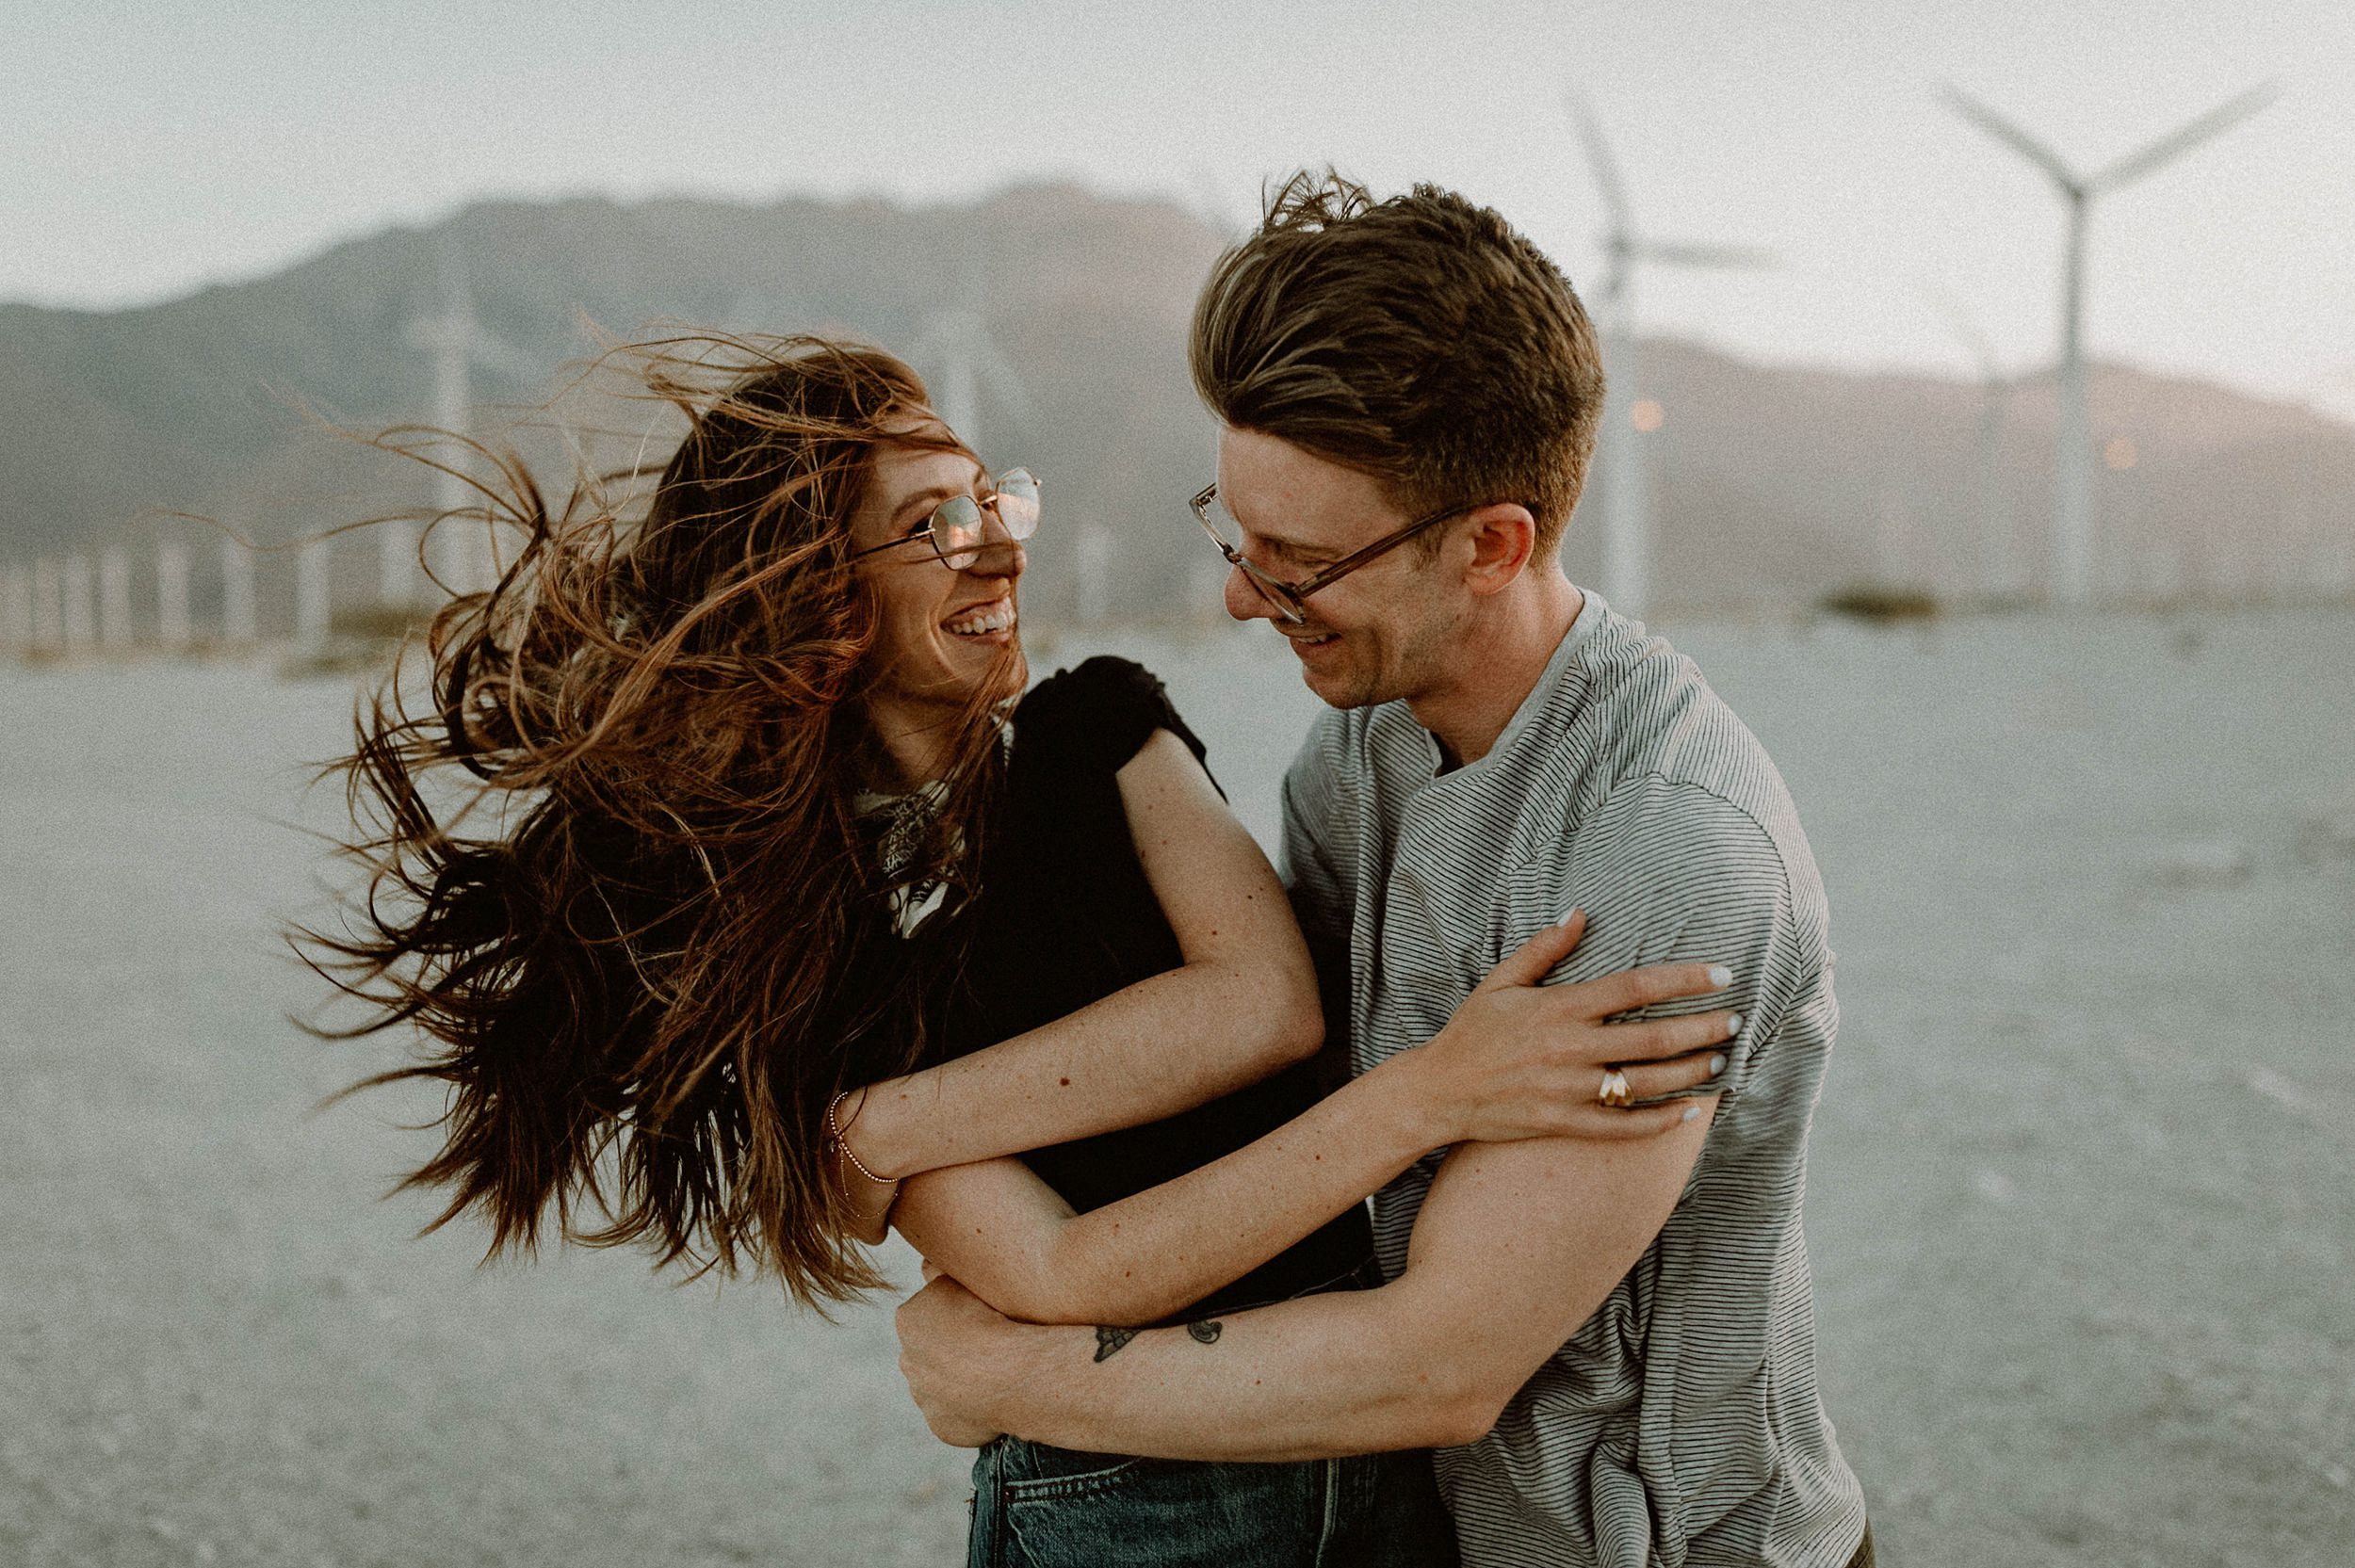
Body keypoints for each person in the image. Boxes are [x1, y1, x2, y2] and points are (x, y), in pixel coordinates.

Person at [301, 334, 1739, 1568]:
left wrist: (886, 1121)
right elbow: (1063, 1267)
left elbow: (1264, 1003)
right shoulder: (807, 954)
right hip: (1124, 1497)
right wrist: (1427, 1098)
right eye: (931, 521)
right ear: (816, 595)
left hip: (1371, 1457)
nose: (997, 539)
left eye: (990, 497)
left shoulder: (1096, 728)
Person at [894, 175, 1875, 1568]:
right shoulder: (1357, 755)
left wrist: (1021, 1381)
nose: (1242, 595)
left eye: (1298, 560)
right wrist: (884, 1134)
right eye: (1236, 533)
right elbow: (1267, 1100)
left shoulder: (1671, 850)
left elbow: (1443, 1359)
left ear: (1492, 544)